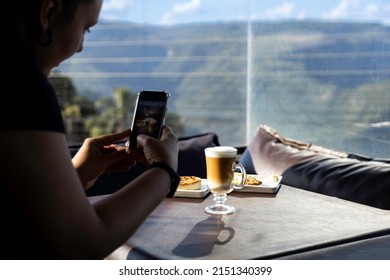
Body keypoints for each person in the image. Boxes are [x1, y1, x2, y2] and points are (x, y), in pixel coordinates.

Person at [0, 0, 179, 259]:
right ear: (48, 13)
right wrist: (165, 170)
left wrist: (75, 175)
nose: (81, 47)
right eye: (86, 28)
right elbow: (81, 243)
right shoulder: (18, 85)